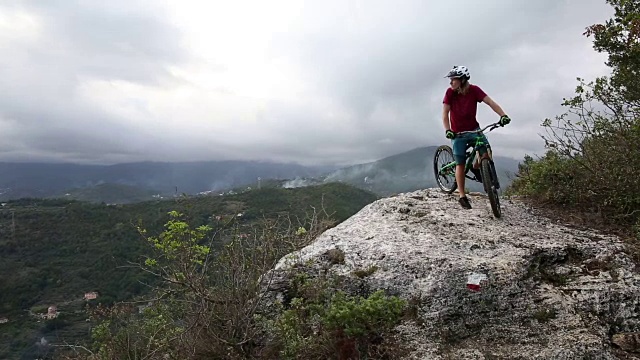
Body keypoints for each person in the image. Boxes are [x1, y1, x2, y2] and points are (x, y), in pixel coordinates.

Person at [442, 65, 511, 209]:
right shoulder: (450, 93)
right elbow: (445, 114)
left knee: (486, 152)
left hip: (474, 129)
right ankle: (462, 196)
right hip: (458, 133)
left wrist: (503, 115)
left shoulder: (474, 90)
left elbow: (490, 102)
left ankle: (477, 166)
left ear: (462, 80)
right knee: (460, 164)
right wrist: (448, 130)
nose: (451, 82)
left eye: (453, 79)